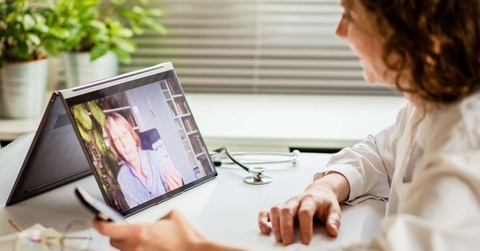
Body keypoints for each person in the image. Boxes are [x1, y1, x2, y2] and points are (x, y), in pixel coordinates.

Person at [93, 0, 480, 250]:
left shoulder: (465, 147)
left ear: (407, 33)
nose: (339, 31)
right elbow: (382, 153)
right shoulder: (431, 99)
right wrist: (326, 186)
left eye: (350, 15)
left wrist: (191, 247)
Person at [104, 112, 183, 208]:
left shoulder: (155, 157)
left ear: (132, 135)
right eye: (116, 139)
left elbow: (176, 200)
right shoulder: (122, 178)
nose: (123, 143)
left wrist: (176, 192)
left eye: (124, 134)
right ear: (115, 148)